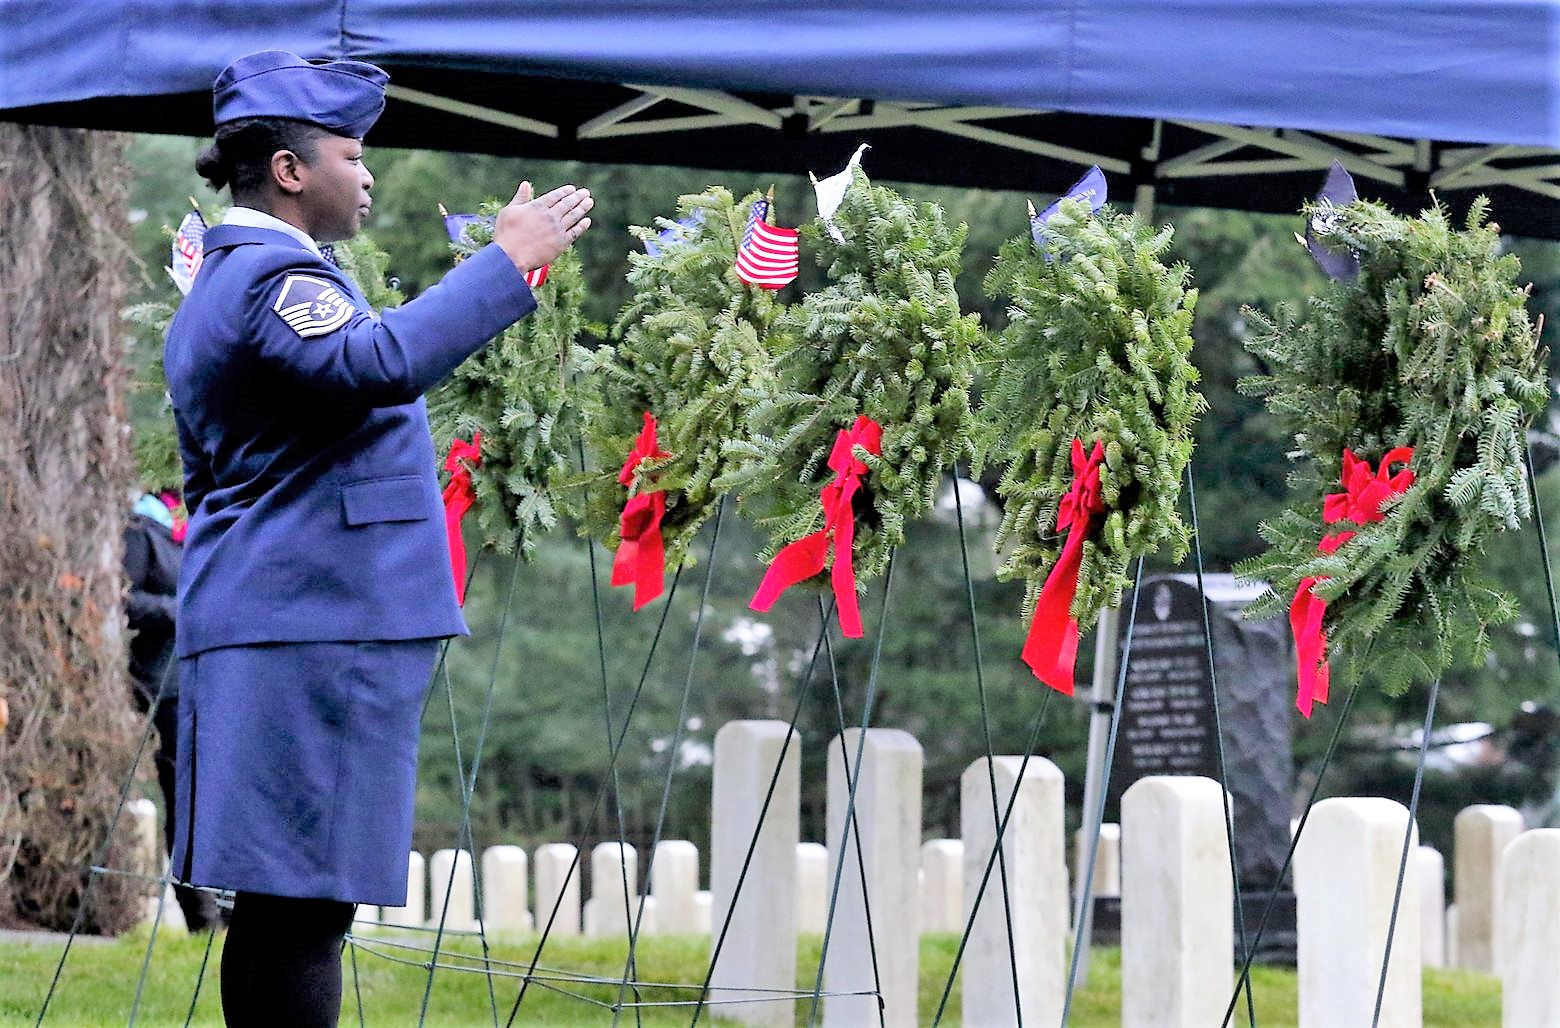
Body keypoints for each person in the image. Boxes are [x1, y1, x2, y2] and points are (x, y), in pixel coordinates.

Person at [164, 50, 592, 1028]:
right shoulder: (270, 278)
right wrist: (504, 257)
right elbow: (382, 360)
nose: (368, 175)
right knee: (302, 905)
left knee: (292, 902)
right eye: (351, 154)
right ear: (289, 169)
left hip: (294, 622)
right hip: (310, 627)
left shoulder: (249, 276)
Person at [124, 490, 222, 931]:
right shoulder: (143, 528)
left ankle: (232, 910)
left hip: (218, 680)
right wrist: (185, 610)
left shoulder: (209, 520)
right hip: (166, 682)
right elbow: (126, 600)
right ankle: (201, 916)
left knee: (220, 794)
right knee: (186, 792)